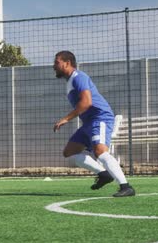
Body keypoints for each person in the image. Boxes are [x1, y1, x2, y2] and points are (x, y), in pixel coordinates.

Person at [53, 51, 135, 197]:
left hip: (100, 118)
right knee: (69, 152)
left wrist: (66, 118)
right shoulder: (71, 81)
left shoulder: (79, 77)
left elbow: (86, 102)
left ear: (67, 63)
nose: (54, 66)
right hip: (88, 122)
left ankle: (126, 186)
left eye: (57, 62)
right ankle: (103, 174)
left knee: (100, 152)